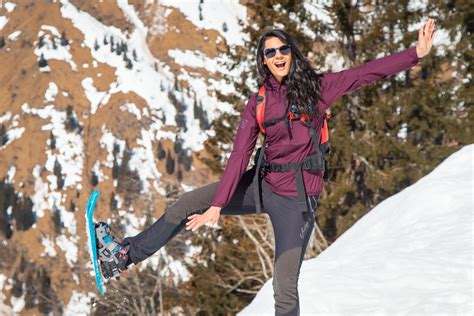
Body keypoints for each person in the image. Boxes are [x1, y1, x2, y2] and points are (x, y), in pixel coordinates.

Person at [96, 18, 435, 316]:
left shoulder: (319, 88)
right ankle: (123, 256)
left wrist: (414, 55)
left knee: (284, 285)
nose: (277, 56)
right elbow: (238, 157)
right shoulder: (258, 102)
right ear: (263, 61)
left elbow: (364, 74)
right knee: (187, 203)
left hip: (297, 204)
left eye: (282, 49)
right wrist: (217, 204)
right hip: (263, 186)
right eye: (270, 52)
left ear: (292, 52)